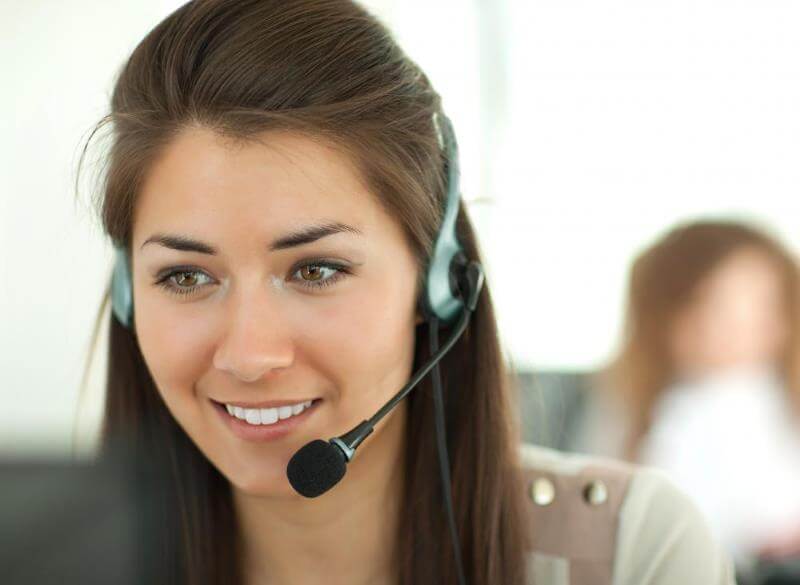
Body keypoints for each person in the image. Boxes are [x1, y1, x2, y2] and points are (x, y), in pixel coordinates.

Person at [78, 1, 735, 584]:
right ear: (129, 293)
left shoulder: (634, 552)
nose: (250, 355)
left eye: (316, 270)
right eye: (186, 277)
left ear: (437, 282)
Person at [590, 220, 800, 571]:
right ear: (669, 319)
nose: (743, 328)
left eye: (762, 307)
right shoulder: (652, 417)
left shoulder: (781, 400)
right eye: (721, 309)